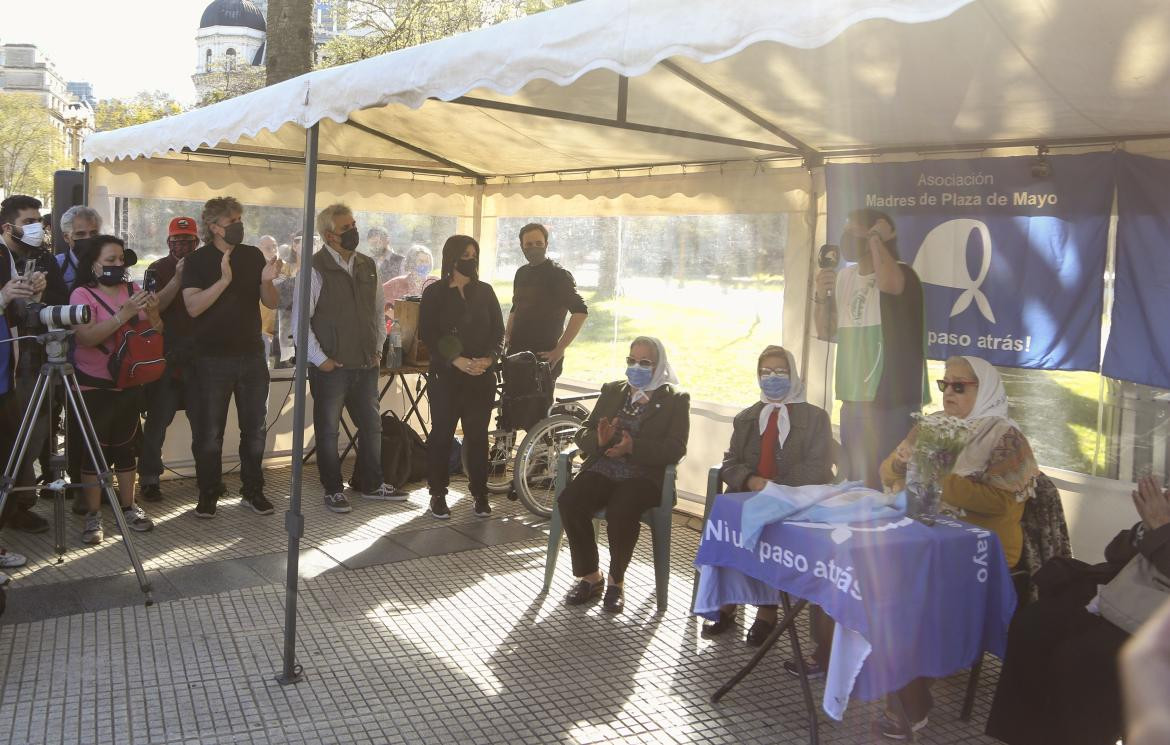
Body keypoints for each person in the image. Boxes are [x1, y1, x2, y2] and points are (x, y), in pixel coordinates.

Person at [874, 355, 1038, 740]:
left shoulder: (1006, 438)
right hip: (927, 536)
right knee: (869, 571)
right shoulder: (932, 425)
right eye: (944, 384)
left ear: (985, 389)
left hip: (981, 549)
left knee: (919, 595)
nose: (948, 392)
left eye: (959, 386)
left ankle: (911, 698)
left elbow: (1002, 503)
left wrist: (935, 476)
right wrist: (901, 463)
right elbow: (885, 472)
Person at [984, 473, 1170, 745]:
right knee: (1033, 624)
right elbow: (1115, 551)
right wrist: (1146, 528)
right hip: (1127, 601)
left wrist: (1162, 529)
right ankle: (1021, 738)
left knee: (1082, 658)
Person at [703, 345, 834, 646]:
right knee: (728, 515)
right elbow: (730, 461)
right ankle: (726, 603)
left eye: (780, 372)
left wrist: (776, 487)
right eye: (766, 373)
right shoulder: (747, 417)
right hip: (752, 493)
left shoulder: (815, 417)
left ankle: (766, 611)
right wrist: (750, 481)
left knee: (770, 525)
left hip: (794, 498)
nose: (772, 378)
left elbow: (818, 466)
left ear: (793, 375)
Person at [560, 337, 690, 613]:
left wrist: (634, 447)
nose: (636, 368)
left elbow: (676, 448)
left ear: (659, 366)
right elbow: (582, 431)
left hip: (644, 476)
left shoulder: (675, 400)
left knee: (622, 510)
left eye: (645, 363)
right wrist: (598, 439)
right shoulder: (613, 390)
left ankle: (616, 582)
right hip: (604, 467)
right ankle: (590, 577)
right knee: (570, 501)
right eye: (632, 361)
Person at [293, 203, 400, 513]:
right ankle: (333, 489)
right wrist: (321, 359)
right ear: (329, 235)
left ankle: (371, 483)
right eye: (346, 228)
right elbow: (301, 323)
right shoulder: (313, 269)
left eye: (354, 225)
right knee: (328, 430)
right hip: (331, 367)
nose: (353, 231)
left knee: (372, 427)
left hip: (366, 362)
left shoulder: (368, 265)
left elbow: (378, 311)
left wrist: (378, 346)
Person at [182, 196, 283, 518]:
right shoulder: (197, 261)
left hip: (252, 355)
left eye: (240, 219)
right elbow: (193, 307)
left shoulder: (252, 255)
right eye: (232, 222)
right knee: (209, 434)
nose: (239, 226)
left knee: (255, 430)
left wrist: (267, 280)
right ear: (213, 227)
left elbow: (271, 303)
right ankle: (209, 492)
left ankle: (253, 490)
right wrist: (224, 280)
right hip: (210, 359)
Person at [814, 208, 927, 489]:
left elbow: (890, 283)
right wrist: (820, 295)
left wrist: (878, 239)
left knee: (888, 482)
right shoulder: (844, 277)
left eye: (855, 231)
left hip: (891, 400)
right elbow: (826, 330)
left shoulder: (903, 274)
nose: (848, 237)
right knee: (856, 483)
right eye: (847, 230)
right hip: (853, 398)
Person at [68, 235, 157, 543]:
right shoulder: (82, 294)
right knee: (95, 450)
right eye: (110, 260)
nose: (118, 265)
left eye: (121, 259)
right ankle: (93, 515)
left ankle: (129, 506)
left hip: (129, 381)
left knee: (125, 445)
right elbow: (86, 338)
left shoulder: (133, 290)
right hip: (94, 383)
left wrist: (154, 311)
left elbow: (153, 331)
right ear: (93, 264)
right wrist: (124, 314)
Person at [419, 235, 504, 519]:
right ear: (452, 259)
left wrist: (489, 359)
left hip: (481, 376)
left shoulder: (486, 291)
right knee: (442, 433)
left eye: (474, 255)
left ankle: (479, 493)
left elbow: (498, 332)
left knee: (478, 436)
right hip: (447, 376)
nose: (471, 260)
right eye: (465, 255)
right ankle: (438, 493)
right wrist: (457, 360)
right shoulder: (435, 293)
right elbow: (428, 335)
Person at [0, 194, 63, 535]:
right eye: (28, 222)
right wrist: (6, 296)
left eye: (38, 221)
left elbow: (32, 310)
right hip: (9, 368)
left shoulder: (40, 258)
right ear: (7, 226)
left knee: (30, 435)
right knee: (12, 442)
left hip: (30, 359)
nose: (37, 228)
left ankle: (19, 503)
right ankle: (14, 507)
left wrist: (37, 296)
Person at [136, 217, 199, 503]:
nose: (182, 246)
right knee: (158, 422)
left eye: (187, 241)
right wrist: (177, 277)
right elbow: (152, 306)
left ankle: (208, 477)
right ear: (168, 243)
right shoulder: (156, 268)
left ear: (197, 242)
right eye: (177, 241)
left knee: (205, 423)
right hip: (166, 356)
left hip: (200, 358)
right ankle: (149, 479)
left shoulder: (209, 266)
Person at [504, 223, 588, 378]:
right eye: (528, 244)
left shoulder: (559, 275)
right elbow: (516, 306)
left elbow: (580, 311)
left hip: (543, 358)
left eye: (538, 243)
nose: (534, 248)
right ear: (522, 246)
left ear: (546, 245)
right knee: (511, 401)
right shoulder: (521, 273)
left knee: (537, 402)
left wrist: (560, 349)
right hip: (515, 354)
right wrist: (507, 336)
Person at [382, 244, 437, 320]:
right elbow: (379, 300)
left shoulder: (435, 281)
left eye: (427, 261)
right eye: (421, 261)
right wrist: (397, 318)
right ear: (412, 262)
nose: (424, 264)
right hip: (404, 327)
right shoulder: (398, 283)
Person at [56, 205, 103, 289]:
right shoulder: (57, 265)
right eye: (80, 234)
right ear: (67, 237)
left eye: (93, 233)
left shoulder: (107, 261)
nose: (88, 238)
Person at [257, 234, 278, 361]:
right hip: (262, 331)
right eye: (268, 248)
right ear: (259, 249)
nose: (273, 250)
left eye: (274, 246)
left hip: (281, 332)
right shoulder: (256, 270)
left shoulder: (285, 267)